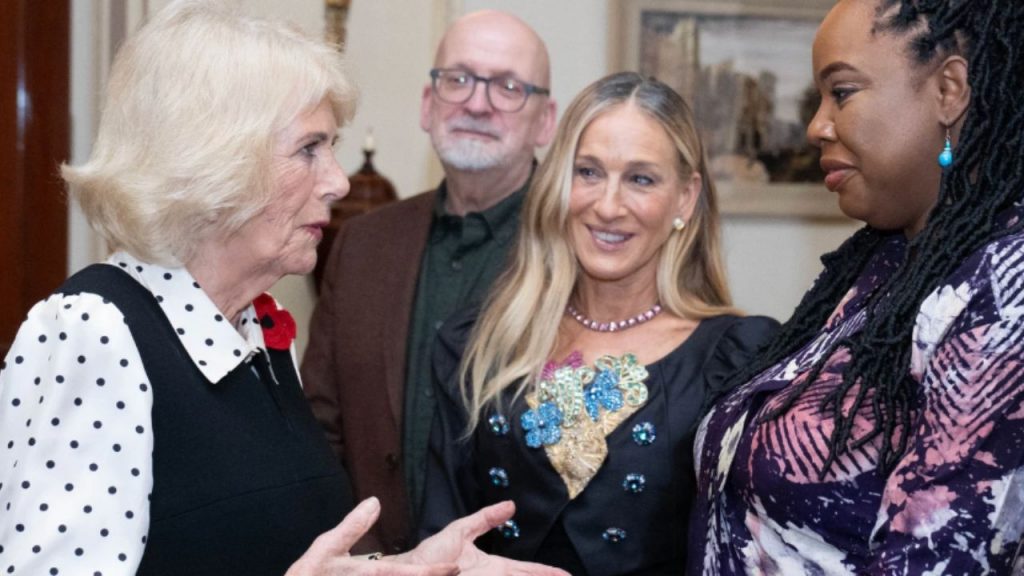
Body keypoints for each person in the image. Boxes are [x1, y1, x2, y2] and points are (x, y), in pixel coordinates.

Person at [0, 2, 567, 575]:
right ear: (218, 161)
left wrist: (403, 569)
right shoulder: (92, 332)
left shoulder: (259, 340)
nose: (339, 181)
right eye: (309, 149)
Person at [689, 0, 1024, 574]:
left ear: (949, 90)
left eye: (841, 92)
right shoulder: (887, 262)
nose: (817, 125)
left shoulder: (1001, 294)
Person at [418, 72, 780, 575]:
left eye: (641, 178)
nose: (608, 206)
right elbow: (437, 541)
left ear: (685, 197)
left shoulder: (741, 360)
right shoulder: (477, 346)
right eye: (587, 172)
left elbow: (756, 558)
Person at [301, 10, 557, 553]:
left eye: (509, 86)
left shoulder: (577, 250)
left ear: (546, 120)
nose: (477, 102)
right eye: (458, 79)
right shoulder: (362, 244)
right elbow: (318, 432)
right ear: (428, 103)